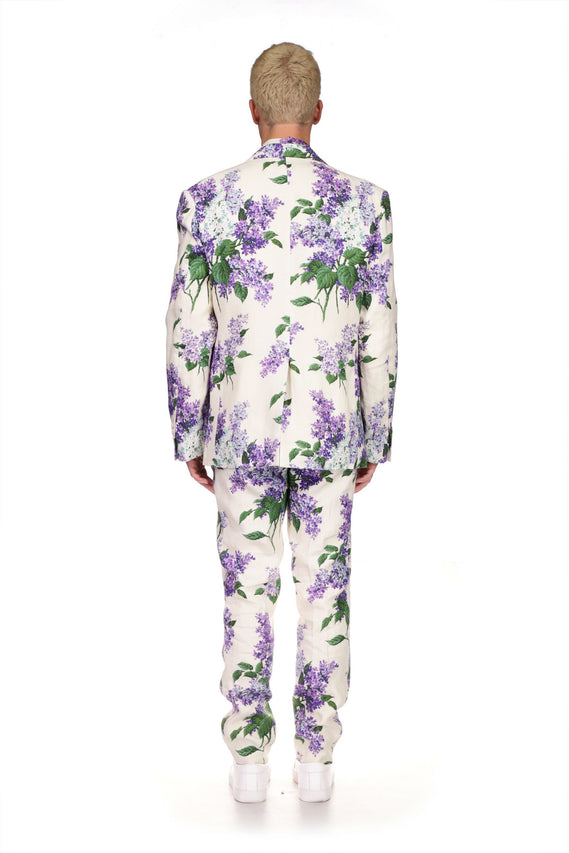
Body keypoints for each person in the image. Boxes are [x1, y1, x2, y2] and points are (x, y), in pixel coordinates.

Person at [164, 41, 398, 803]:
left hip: (238, 428)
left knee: (247, 591)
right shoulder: (365, 202)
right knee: (324, 590)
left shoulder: (205, 200)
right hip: (332, 431)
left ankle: (247, 762)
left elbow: (188, 327)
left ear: (253, 111)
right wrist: (374, 431)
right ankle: (318, 760)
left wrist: (188, 428)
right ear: (317, 111)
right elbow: (378, 328)